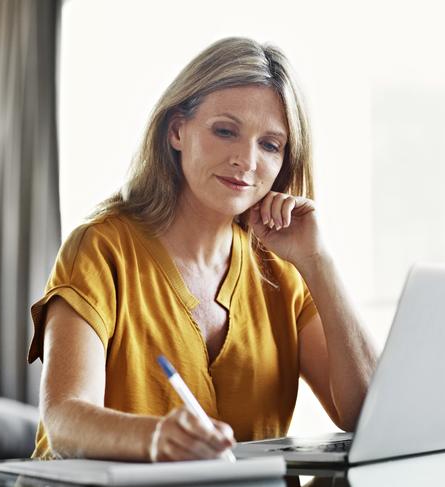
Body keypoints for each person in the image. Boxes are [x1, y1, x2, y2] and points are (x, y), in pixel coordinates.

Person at [28, 37, 377, 462]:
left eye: (270, 144)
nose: (246, 160)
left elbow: (365, 412)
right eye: (225, 131)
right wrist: (155, 438)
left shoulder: (282, 266)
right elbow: (63, 419)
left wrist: (319, 263)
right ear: (177, 130)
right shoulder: (100, 248)